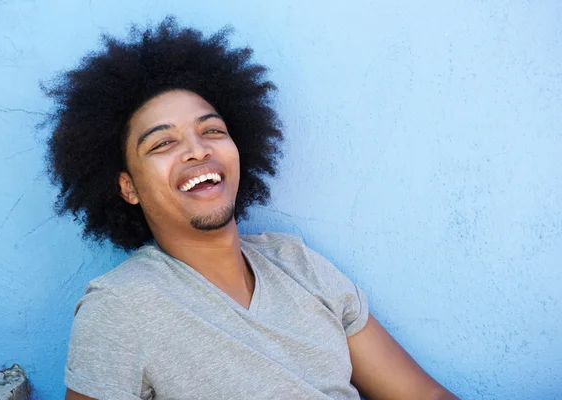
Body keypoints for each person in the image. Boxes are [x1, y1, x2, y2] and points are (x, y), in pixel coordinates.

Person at [44, 17, 458, 400]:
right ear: (128, 186)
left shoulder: (298, 263)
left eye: (212, 131)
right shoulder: (121, 307)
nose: (197, 149)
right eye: (163, 143)